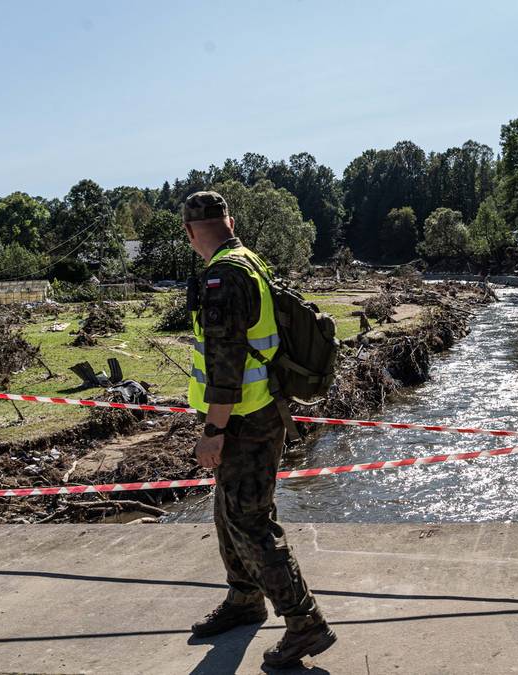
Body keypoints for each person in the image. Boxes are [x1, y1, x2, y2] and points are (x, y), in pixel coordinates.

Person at [180, 190, 336, 667]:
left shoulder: (223, 277)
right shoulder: (249, 260)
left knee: (249, 520)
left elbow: (225, 364)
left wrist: (213, 431)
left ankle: (305, 622)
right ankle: (244, 599)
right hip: (260, 410)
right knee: (230, 512)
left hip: (243, 419)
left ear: (189, 233)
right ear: (229, 221)